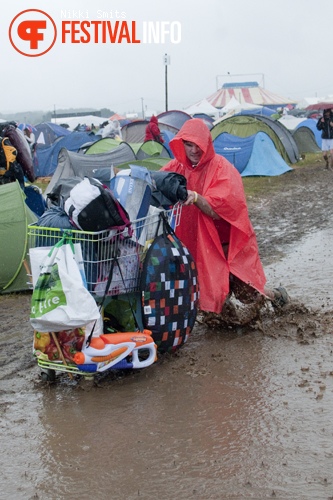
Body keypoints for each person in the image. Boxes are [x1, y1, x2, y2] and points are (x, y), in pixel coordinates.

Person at [161, 118, 289, 319]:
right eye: (188, 144)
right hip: (199, 245)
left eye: (198, 145)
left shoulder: (222, 168)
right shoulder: (176, 168)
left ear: (207, 144)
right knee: (209, 294)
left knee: (248, 293)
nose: (194, 150)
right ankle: (229, 325)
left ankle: (278, 296)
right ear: (181, 144)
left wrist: (195, 197)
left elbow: (217, 208)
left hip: (228, 244)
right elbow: (156, 180)